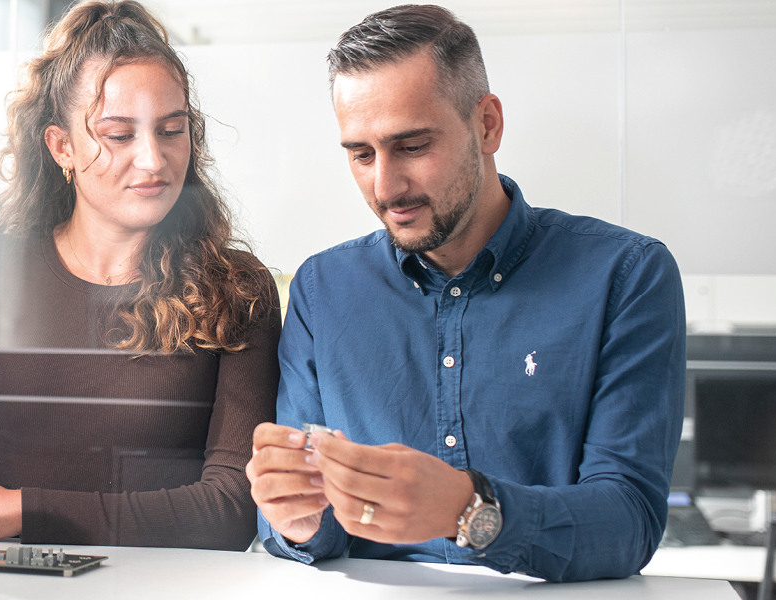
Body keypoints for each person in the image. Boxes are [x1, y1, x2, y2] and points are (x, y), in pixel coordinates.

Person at [245, 4, 685, 583]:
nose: (385, 186)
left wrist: (469, 509)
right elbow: (315, 535)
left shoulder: (627, 276)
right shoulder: (322, 290)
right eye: (361, 154)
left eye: (412, 145)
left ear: (487, 125)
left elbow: (628, 519)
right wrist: (295, 518)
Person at [0, 0, 280, 551]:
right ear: (62, 146)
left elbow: (231, 508)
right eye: (118, 135)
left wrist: (21, 510)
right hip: (10, 587)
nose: (154, 161)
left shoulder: (236, 287)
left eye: (171, 130)